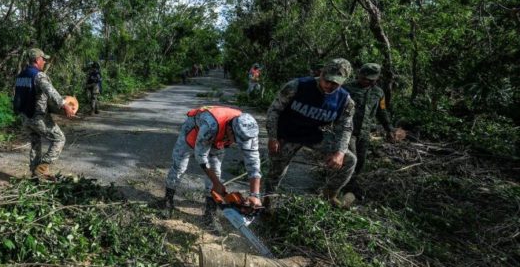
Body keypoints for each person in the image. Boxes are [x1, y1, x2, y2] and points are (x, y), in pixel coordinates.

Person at [264, 58, 357, 209]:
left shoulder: (345, 100)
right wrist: (273, 137)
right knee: (276, 171)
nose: (329, 85)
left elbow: (346, 127)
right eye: (326, 80)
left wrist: (339, 153)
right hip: (287, 134)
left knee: (349, 160)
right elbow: (274, 110)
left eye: (335, 83)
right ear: (321, 74)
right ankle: (268, 202)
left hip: (315, 135)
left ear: (343, 82)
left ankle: (329, 195)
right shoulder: (297, 86)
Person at [164, 105, 262, 229]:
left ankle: (209, 214)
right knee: (180, 165)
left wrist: (255, 195)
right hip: (194, 129)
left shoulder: (249, 130)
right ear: (230, 130)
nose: (238, 144)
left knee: (216, 171)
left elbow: (253, 162)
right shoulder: (211, 125)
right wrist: (216, 183)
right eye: (237, 140)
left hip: (219, 138)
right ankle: (167, 200)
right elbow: (201, 156)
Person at [13, 48, 76, 179]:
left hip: (25, 117)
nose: (45, 62)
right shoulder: (38, 75)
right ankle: (42, 169)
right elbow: (51, 92)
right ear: (37, 60)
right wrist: (65, 105)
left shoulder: (21, 76)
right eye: (43, 59)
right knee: (59, 139)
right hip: (38, 117)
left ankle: (34, 174)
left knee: (35, 143)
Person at [342, 63, 394, 175]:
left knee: (360, 161)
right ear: (359, 75)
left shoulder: (379, 92)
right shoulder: (346, 88)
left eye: (370, 79)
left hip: (364, 133)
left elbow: (382, 112)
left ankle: (351, 186)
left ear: (376, 78)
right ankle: (338, 185)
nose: (366, 81)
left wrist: (389, 129)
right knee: (351, 160)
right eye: (364, 78)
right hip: (347, 131)